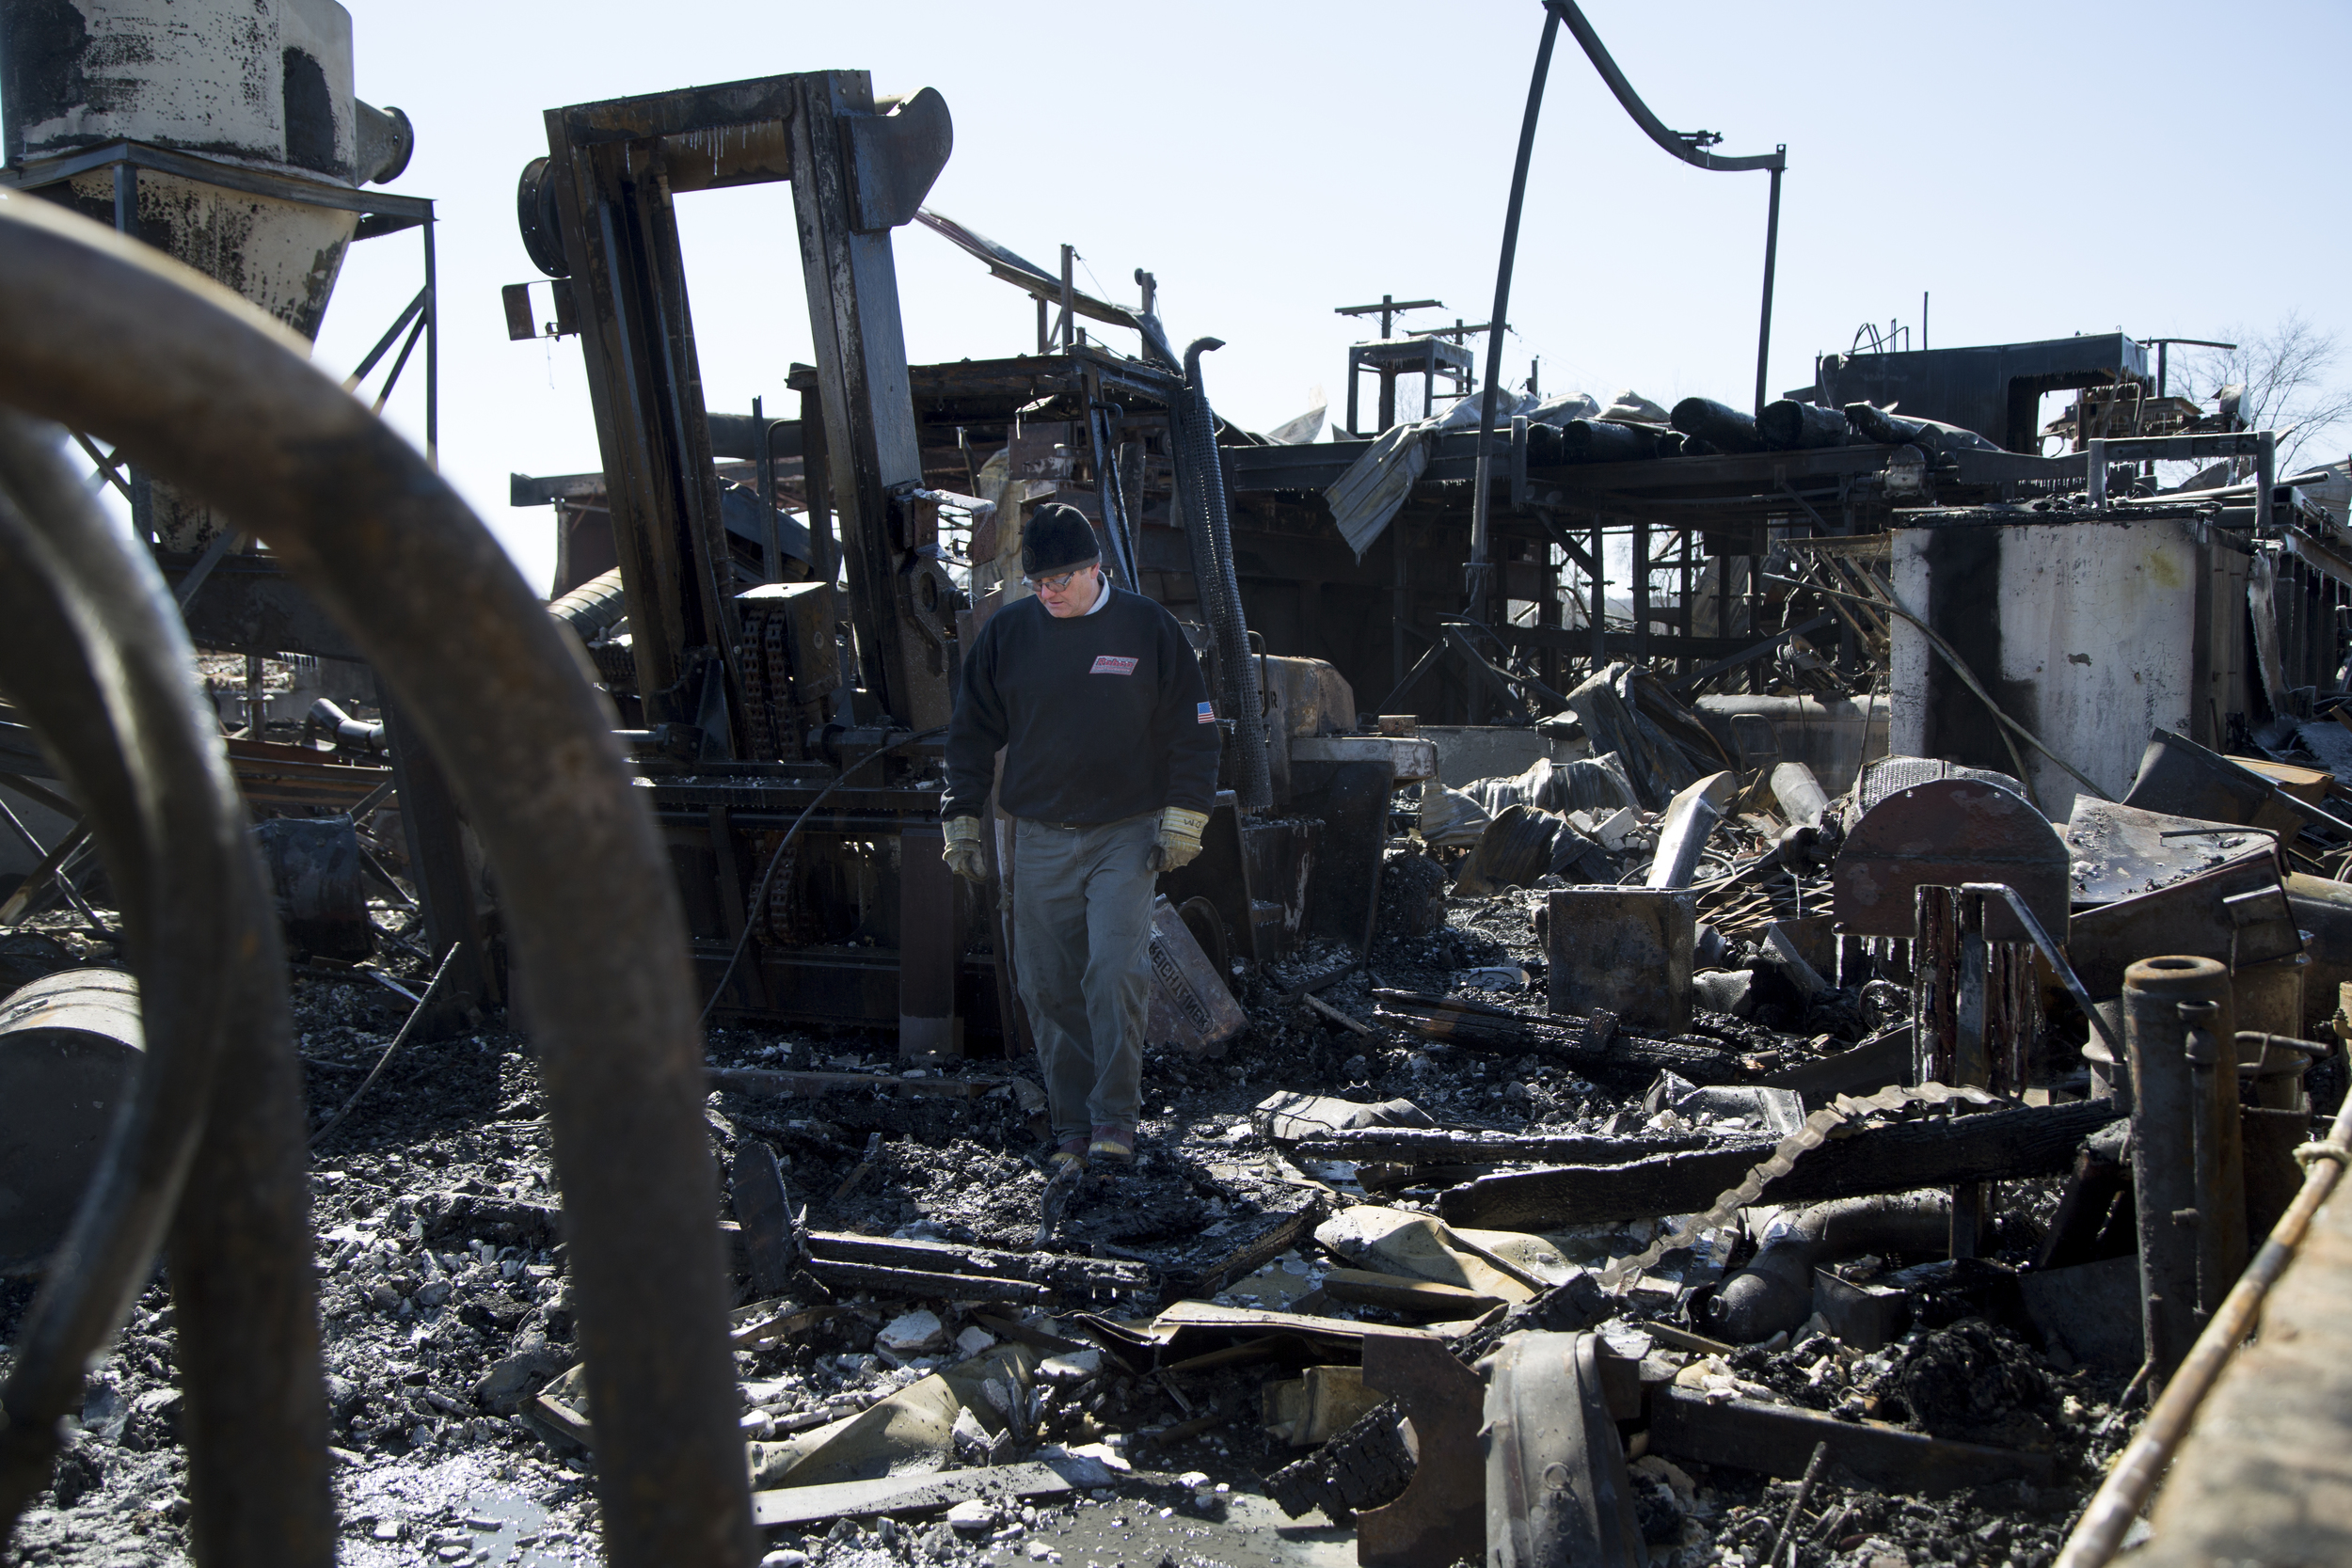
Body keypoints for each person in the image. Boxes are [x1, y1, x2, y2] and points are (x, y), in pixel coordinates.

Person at [942, 503, 1221, 1170]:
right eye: (1036, 581)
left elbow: (1196, 727)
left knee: (1113, 969)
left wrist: (1186, 817)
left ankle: (1115, 1120)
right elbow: (970, 733)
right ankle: (1071, 1125)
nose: (1047, 592)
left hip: (1125, 833)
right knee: (1044, 982)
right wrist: (961, 816)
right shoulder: (1010, 635)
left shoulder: (1147, 628)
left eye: (1059, 580)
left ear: (1095, 566)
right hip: (1036, 835)